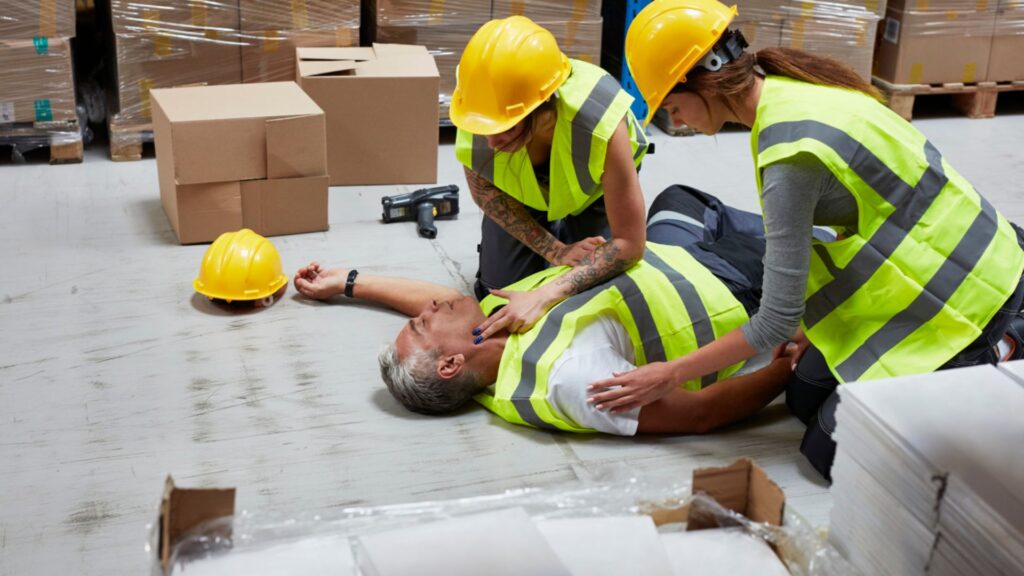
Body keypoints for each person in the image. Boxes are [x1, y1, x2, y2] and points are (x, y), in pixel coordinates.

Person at [588, 0, 1024, 477]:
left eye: (673, 107)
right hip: (937, 261)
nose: (678, 120)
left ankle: (1004, 344)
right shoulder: (793, 88)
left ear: (704, 82)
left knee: (831, 453)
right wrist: (808, 327)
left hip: (972, 291)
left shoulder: (791, 156)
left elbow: (773, 323)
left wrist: (668, 375)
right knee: (803, 395)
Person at [294, 187, 795, 436]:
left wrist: (351, 282)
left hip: (665, 253)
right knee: (803, 232)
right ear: (451, 363)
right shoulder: (565, 379)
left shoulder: (491, 329)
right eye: (425, 322)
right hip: (729, 282)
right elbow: (700, 413)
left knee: (678, 198)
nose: (430, 306)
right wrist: (785, 368)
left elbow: (436, 296)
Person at [449, 16, 651, 339]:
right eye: (484, 128)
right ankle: (552, 236)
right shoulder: (480, 104)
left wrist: (547, 294)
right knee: (498, 297)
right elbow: (484, 192)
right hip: (520, 193)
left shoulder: (601, 122)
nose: (490, 142)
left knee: (597, 294)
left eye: (507, 128)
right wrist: (554, 250)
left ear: (545, 108)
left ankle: (573, 227)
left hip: (594, 193)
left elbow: (630, 243)